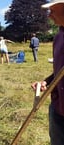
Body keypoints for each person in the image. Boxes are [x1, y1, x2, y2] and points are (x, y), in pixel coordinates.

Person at [31, 1, 64, 144]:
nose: (49, 16)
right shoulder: (58, 37)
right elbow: (59, 70)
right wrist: (47, 81)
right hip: (58, 107)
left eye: (53, 11)